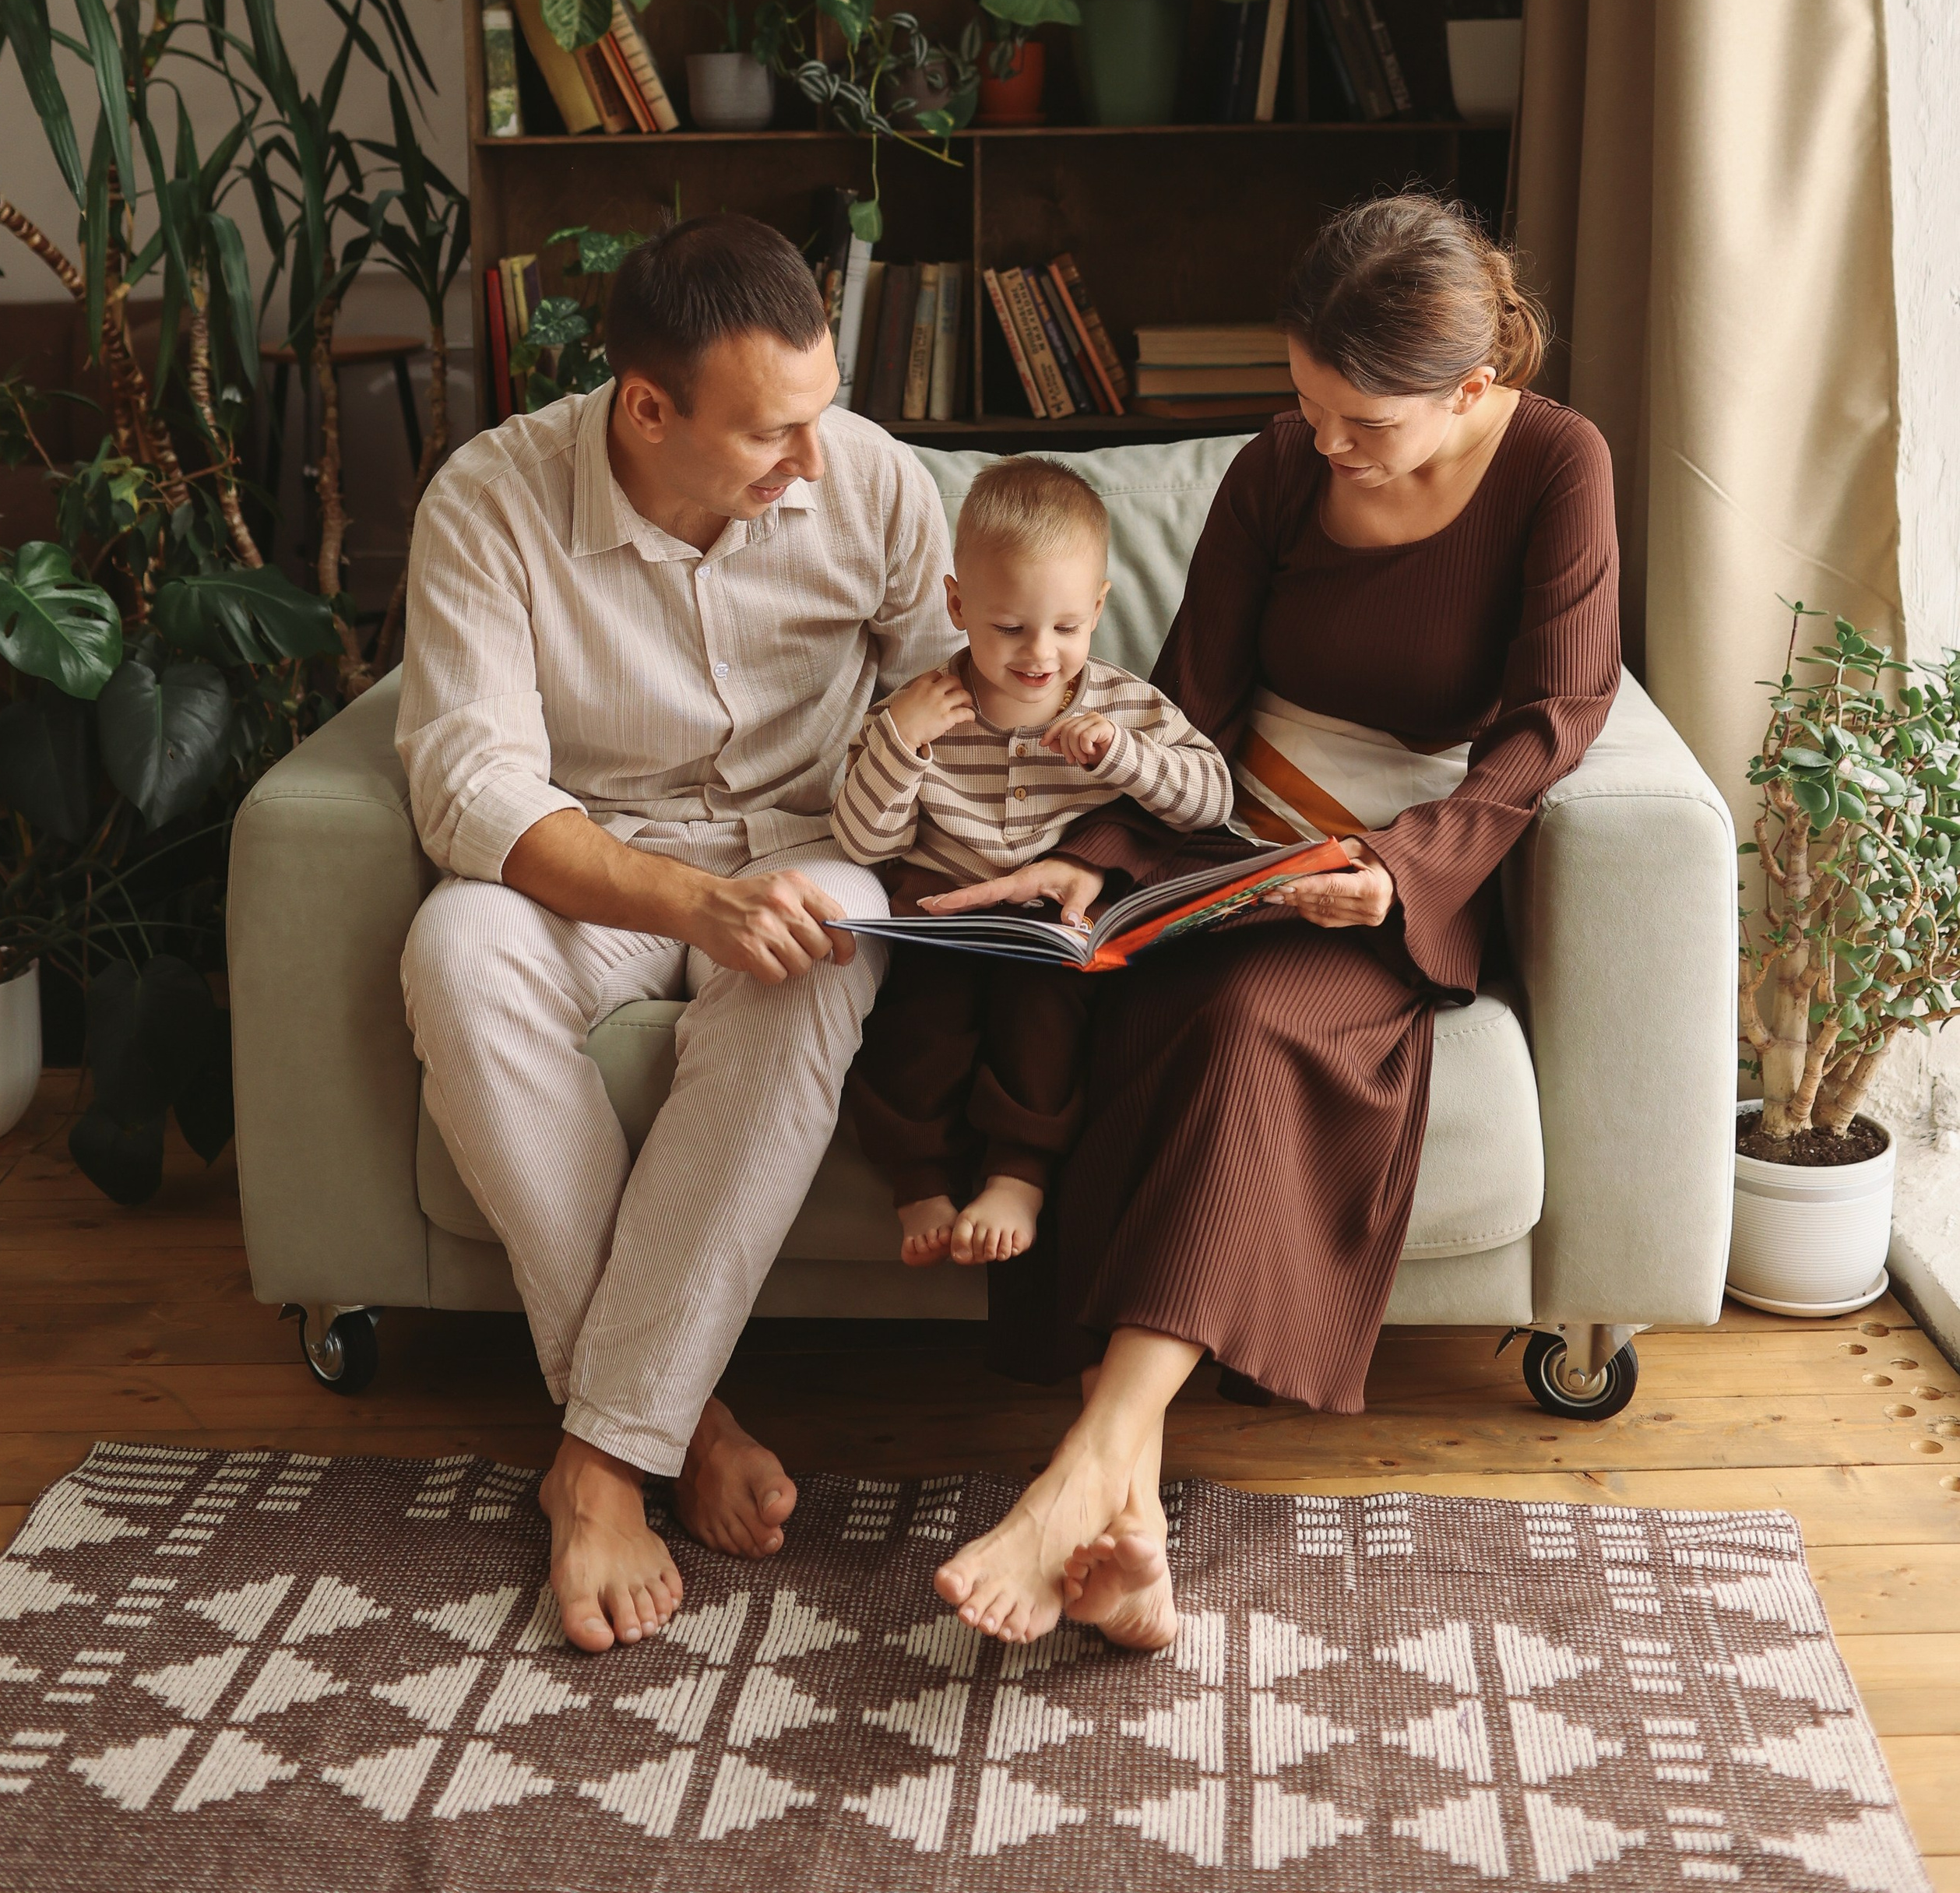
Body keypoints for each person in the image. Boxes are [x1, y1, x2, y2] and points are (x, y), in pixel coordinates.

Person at [931, 192, 1623, 1652]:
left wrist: (1403, 868)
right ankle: (1125, 1518)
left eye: (1362, 422)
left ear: (1475, 390)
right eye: (1308, 404)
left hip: (1385, 873)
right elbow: (1193, 695)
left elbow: (1553, 724)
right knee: (1117, 985)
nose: (1326, 445)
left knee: (1248, 1024)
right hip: (1225, 845)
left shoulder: (1559, 464)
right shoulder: (1276, 464)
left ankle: (1081, 1478)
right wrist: (1102, 859)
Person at [396, 214, 955, 1652]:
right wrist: (685, 897)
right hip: (599, 865)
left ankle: (597, 1466)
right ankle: (675, 1421)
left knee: (825, 943)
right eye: (773, 432)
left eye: (820, 416)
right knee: (454, 954)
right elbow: (472, 788)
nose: (814, 465)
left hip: (810, 851)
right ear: (646, 408)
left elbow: (967, 695)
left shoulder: (872, 479)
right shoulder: (490, 500)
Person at [830, 456, 1233, 1271]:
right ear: (957, 605)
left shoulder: (1122, 706)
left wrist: (1121, 756)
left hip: (1053, 919)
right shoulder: (914, 709)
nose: (1038, 653)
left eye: (1065, 628)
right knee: (916, 1017)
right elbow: (863, 843)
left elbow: (1209, 803)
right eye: (1008, 627)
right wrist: (901, 743)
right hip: (937, 904)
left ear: (1097, 609)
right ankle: (920, 1183)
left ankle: (1019, 1174)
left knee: (1046, 1013)